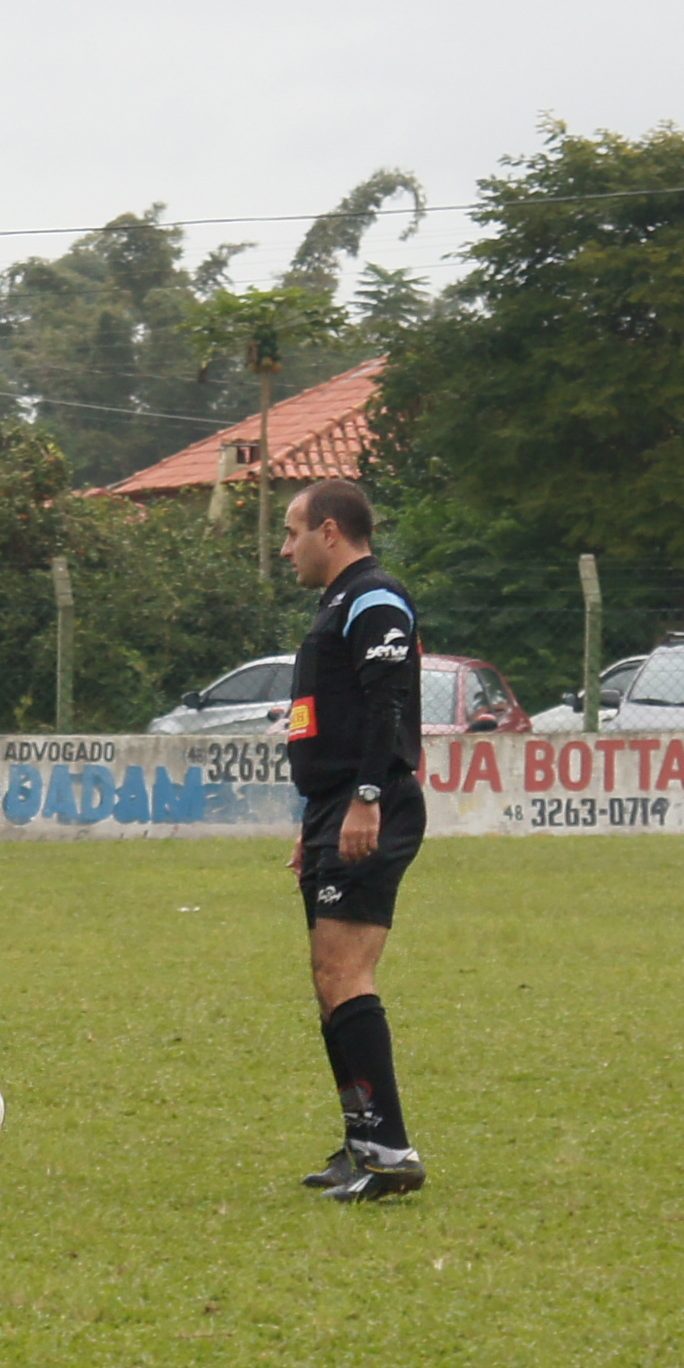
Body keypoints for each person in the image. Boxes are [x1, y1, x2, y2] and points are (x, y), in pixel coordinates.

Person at [281, 479, 429, 1203]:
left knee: (346, 973)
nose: (286, 549)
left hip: (370, 803)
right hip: (335, 807)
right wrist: (314, 820)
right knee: (327, 975)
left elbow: (387, 702)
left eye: (292, 532)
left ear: (330, 531)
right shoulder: (337, 604)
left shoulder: (374, 597)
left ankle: (390, 1151)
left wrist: (367, 797)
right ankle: (361, 1138)